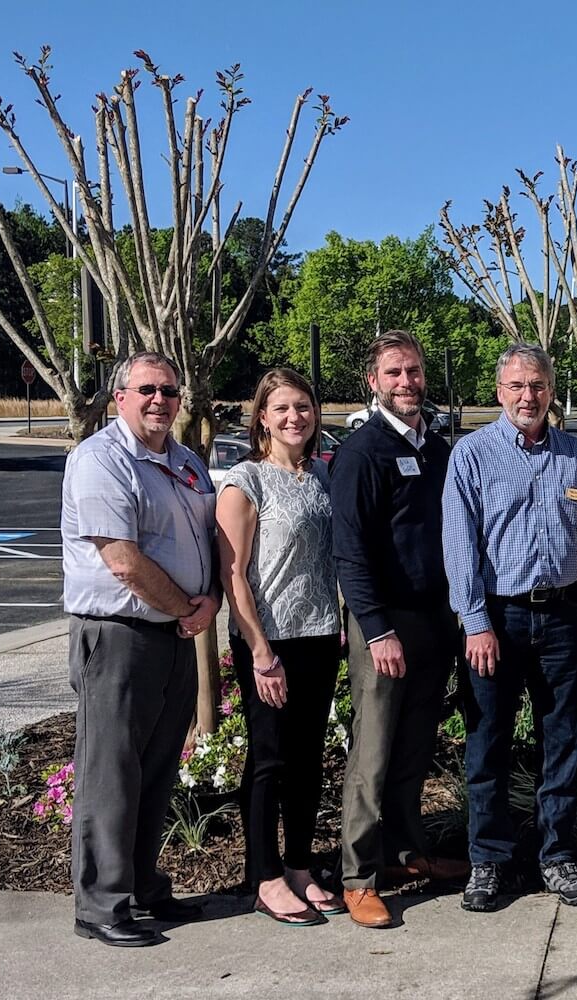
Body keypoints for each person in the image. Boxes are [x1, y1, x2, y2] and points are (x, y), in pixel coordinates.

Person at [60, 351, 219, 948]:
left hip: (175, 634)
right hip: (121, 636)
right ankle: (101, 903)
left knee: (156, 770)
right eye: (148, 389)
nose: (162, 401)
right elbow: (122, 560)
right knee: (111, 773)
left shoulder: (184, 462)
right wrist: (189, 607)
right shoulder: (100, 460)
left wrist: (205, 605)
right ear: (119, 397)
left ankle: (142, 885)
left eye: (171, 391)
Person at [442, 343, 577, 912]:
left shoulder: (576, 455)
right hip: (497, 621)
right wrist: (476, 622)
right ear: (499, 392)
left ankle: (557, 856)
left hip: (562, 618)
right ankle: (488, 861)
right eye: (516, 387)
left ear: (551, 390)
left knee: (563, 743)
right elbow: (459, 547)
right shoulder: (472, 454)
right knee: (487, 744)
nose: (527, 396)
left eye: (537, 386)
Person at [331, 331, 468, 929]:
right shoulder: (362, 452)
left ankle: (406, 855)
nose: (406, 382)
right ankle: (359, 876)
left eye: (413, 371)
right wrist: (377, 629)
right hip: (382, 626)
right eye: (394, 373)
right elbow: (350, 551)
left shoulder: (437, 450)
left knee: (415, 746)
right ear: (373, 382)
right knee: (374, 751)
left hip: (433, 621)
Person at [215, 368, 343, 927]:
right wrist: (261, 652)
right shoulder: (246, 481)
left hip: (318, 637)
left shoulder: (319, 478)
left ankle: (298, 866)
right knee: (269, 760)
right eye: (283, 408)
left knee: (309, 761)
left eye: (305, 406)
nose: (296, 417)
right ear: (262, 417)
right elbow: (234, 574)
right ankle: (263, 875)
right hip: (269, 642)